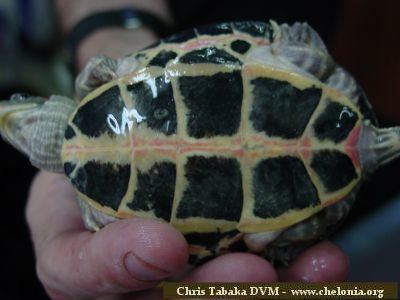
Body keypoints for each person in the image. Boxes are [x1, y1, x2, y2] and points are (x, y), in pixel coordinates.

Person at [26, 1, 349, 299]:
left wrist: (111, 27)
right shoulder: (102, 85)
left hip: (305, 200)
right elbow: (111, 69)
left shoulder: (97, 214)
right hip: (317, 110)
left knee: (258, 243)